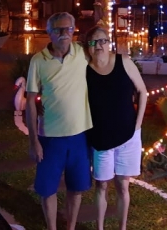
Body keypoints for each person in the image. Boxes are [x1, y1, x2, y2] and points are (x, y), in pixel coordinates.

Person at [25, 12, 92, 230]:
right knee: (47, 190)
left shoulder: (82, 54)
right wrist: (33, 140)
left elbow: (105, 56)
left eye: (69, 29)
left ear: (74, 31)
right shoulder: (38, 60)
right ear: (49, 32)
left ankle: (70, 227)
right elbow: (29, 102)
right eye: (58, 30)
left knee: (77, 188)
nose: (64, 34)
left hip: (80, 136)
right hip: (50, 137)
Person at [85, 25, 148, 230]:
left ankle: (122, 227)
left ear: (109, 43)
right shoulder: (85, 70)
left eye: (103, 40)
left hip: (128, 136)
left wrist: (137, 125)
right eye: (93, 42)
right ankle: (100, 227)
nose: (99, 45)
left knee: (122, 185)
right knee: (101, 184)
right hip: (101, 138)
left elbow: (142, 92)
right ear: (88, 47)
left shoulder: (124, 62)